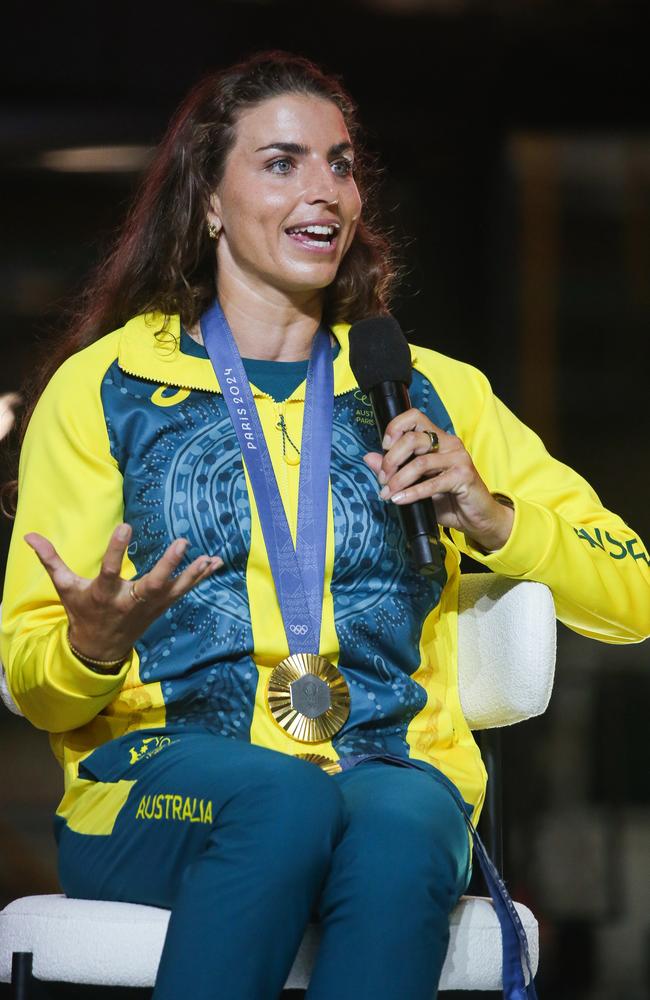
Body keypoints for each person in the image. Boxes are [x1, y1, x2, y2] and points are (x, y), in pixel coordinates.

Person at [1, 51, 649, 1000]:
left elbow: (634, 591)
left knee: (401, 818)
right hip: (153, 787)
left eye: (340, 164)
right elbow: (36, 676)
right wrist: (90, 650)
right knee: (283, 797)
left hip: (387, 768)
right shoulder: (103, 390)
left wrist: (493, 516)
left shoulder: (433, 391)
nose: (326, 191)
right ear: (208, 200)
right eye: (281, 162)